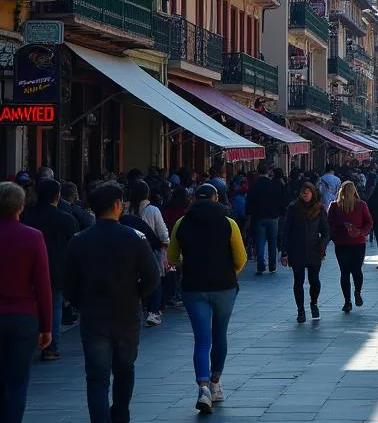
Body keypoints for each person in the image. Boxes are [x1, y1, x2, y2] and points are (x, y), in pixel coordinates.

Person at [63, 180, 160, 423]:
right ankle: (120, 415)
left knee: (97, 377)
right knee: (124, 370)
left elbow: (68, 282)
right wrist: (137, 294)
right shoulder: (134, 239)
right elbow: (152, 276)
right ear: (118, 205)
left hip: (94, 316)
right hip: (126, 315)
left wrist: (80, 301)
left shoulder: (79, 240)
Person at [167, 183, 247, 415]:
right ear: (216, 198)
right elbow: (240, 258)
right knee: (219, 334)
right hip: (224, 287)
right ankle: (216, 382)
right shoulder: (228, 223)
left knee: (202, 340)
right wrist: (230, 274)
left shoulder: (182, 223)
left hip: (194, 287)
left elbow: (172, 256)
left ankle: (203, 388)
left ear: (194, 198)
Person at [0, 180, 51, 423]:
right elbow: (42, 285)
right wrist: (47, 326)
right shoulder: (32, 237)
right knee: (18, 379)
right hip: (22, 317)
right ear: (21, 207)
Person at [21, 176, 77, 361]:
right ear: (57, 196)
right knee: (54, 305)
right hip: (55, 268)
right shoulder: (66, 219)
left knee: (29, 304)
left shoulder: (27, 215)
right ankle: (51, 347)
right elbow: (72, 247)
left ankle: (28, 342)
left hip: (26, 268)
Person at [280, 181, 329, 322]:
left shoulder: (319, 209)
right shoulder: (293, 208)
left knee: (314, 280)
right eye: (303, 192)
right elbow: (286, 231)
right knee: (298, 281)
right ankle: (300, 310)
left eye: (308, 192)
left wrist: (322, 246)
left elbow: (326, 231)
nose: (305, 194)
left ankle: (314, 303)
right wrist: (284, 252)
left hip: (315, 249)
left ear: (313, 193)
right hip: (297, 249)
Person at [126, 180, 169, 328]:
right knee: (154, 278)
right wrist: (166, 243)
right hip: (150, 248)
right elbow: (162, 232)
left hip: (129, 249)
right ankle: (153, 312)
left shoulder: (126, 209)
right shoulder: (153, 210)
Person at [328, 180, 373, 313]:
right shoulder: (361, 204)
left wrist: (334, 235)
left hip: (342, 243)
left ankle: (347, 301)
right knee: (356, 270)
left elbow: (329, 224)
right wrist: (362, 232)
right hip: (357, 242)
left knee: (345, 272)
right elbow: (369, 222)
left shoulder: (335, 206)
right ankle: (357, 291)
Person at [247, 161, 287, 276]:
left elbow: (250, 202)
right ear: (269, 172)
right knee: (272, 242)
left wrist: (249, 215)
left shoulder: (254, 186)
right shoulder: (274, 185)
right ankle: (272, 266)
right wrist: (280, 213)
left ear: (258, 171)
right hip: (273, 217)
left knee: (260, 241)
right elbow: (281, 200)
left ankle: (260, 266)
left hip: (259, 217)